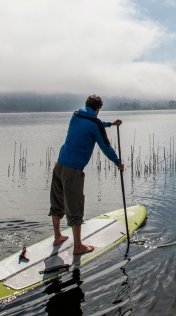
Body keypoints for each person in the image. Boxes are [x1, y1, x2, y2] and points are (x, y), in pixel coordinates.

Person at [49, 94, 123, 255]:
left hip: (59, 165)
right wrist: (118, 162)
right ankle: (78, 247)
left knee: (57, 202)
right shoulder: (94, 123)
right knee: (75, 205)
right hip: (73, 170)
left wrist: (110, 124)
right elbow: (105, 147)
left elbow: (94, 124)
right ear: (98, 109)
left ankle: (57, 236)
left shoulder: (76, 115)